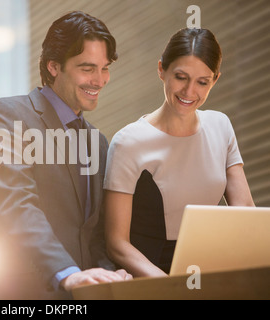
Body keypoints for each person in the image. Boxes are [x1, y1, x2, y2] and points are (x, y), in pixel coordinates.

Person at [0, 11, 131, 300]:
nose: (99, 80)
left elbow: (93, 234)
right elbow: (14, 204)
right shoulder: (6, 117)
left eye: (104, 68)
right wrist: (67, 272)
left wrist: (111, 271)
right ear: (54, 67)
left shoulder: (97, 142)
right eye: (87, 68)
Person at [103, 28, 255, 278]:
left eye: (202, 82)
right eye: (181, 77)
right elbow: (117, 244)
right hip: (151, 277)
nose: (189, 92)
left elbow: (245, 213)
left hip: (210, 271)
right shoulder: (128, 142)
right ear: (161, 70)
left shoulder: (221, 126)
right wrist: (167, 287)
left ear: (215, 80)